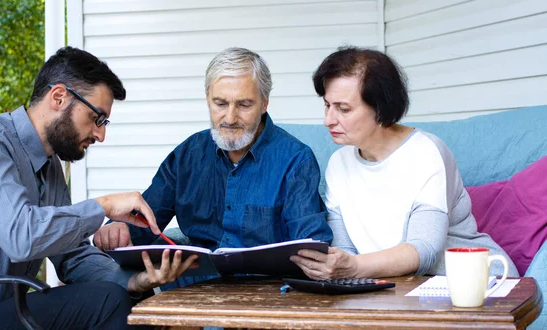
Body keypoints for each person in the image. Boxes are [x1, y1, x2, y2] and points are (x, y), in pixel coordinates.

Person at [0, 46, 198, 329]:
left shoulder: (50, 165)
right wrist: (104, 206)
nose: (101, 135)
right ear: (58, 97)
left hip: (1, 311)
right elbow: (20, 236)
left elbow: (71, 254)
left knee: (132, 297)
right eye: (96, 118)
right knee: (109, 301)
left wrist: (135, 280)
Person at [290, 46, 517, 279]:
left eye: (343, 109)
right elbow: (346, 255)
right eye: (327, 105)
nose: (328, 120)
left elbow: (425, 250)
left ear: (380, 109)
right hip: (394, 288)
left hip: (473, 283)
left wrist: (353, 267)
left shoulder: (426, 153)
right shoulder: (338, 164)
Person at [94, 47, 333, 267]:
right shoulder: (187, 156)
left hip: (266, 294)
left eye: (244, 105)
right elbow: (145, 223)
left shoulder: (295, 160)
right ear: (208, 99)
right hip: (191, 289)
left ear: (264, 104)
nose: (230, 117)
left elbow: (311, 247)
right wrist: (118, 229)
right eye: (220, 103)